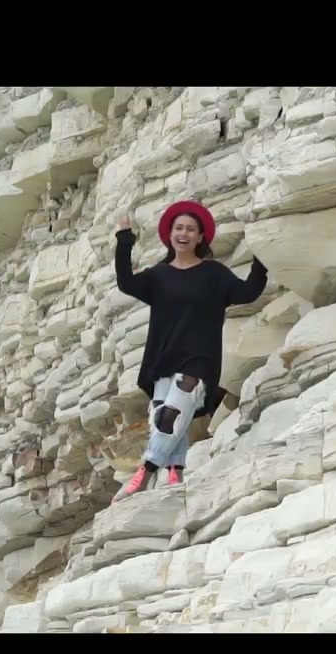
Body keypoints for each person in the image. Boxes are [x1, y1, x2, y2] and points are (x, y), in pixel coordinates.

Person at [110, 199, 268, 503]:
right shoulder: (158, 275)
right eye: (179, 228)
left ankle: (146, 471)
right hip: (163, 358)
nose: (183, 234)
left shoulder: (213, 274)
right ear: (170, 234)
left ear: (200, 237)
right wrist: (124, 237)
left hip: (200, 358)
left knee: (172, 413)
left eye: (190, 229)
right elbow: (126, 282)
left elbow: (247, 292)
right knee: (165, 417)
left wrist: (261, 256)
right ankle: (175, 474)